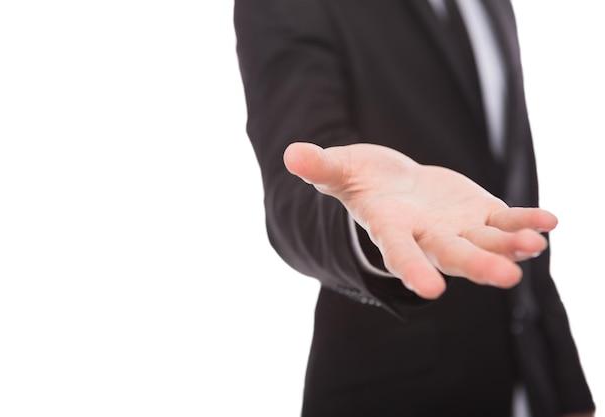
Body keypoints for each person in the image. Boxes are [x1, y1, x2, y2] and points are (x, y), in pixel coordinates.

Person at [233, 0, 595, 416]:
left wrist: (566, 386)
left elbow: (511, 203)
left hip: (531, 385)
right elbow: (296, 192)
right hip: (396, 391)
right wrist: (372, 227)